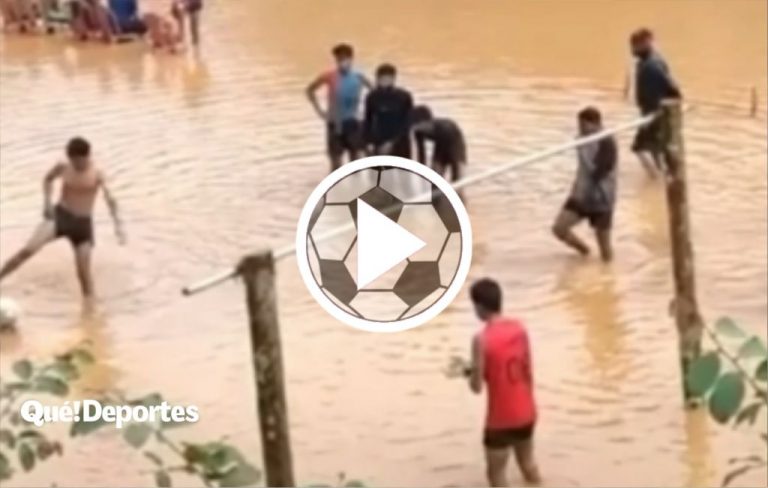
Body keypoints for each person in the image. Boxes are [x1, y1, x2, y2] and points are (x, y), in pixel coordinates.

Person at [0, 137, 125, 298]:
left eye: (78, 161)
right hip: (60, 216)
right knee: (27, 251)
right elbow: (48, 179)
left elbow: (111, 200)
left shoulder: (97, 173)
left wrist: (118, 226)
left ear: (87, 156)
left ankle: (90, 314)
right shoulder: (64, 166)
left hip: (83, 224)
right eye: (72, 161)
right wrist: (47, 203)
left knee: (84, 275)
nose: (76, 164)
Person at [465, 278, 541, 487]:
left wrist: (468, 371)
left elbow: (477, 387)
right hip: (527, 412)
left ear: (479, 306)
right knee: (528, 465)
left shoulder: (480, 339)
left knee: (496, 476)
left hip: (501, 418)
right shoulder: (520, 328)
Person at [552, 107, 618, 262]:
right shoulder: (581, 139)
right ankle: (585, 252)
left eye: (583, 124)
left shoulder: (607, 141)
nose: (580, 128)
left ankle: (608, 277)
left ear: (595, 124)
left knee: (605, 250)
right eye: (579, 124)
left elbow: (603, 168)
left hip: (602, 198)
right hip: (580, 195)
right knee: (559, 228)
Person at [306, 43, 371, 172]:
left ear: (351, 59)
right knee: (336, 163)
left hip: (352, 122)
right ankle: (336, 187)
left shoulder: (359, 76)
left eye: (345, 59)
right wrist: (319, 110)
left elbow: (374, 93)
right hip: (334, 123)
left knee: (356, 161)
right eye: (339, 59)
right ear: (336, 60)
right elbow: (310, 90)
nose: (343, 62)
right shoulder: (329, 76)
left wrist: (367, 114)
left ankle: (356, 187)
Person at [630, 28, 682, 177]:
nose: (632, 49)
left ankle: (655, 179)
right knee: (656, 149)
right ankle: (661, 176)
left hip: (655, 115)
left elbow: (673, 89)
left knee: (639, 148)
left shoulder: (652, 65)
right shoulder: (645, 62)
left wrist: (660, 113)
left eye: (635, 45)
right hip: (651, 113)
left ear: (645, 44)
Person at [363, 63, 414, 158]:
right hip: (379, 142)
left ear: (393, 79)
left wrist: (391, 143)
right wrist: (368, 143)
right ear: (377, 79)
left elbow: (407, 123)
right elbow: (368, 121)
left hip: (400, 142)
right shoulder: (372, 97)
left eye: (387, 78)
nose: (384, 81)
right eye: (381, 78)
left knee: (402, 171)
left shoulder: (404, 96)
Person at [410, 105, 467, 183]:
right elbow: (421, 154)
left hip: (455, 145)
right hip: (440, 147)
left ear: (426, 122)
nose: (413, 128)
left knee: (458, 182)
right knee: (434, 182)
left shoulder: (445, 127)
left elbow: (455, 155)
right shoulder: (418, 132)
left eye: (415, 125)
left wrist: (457, 170)